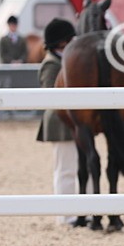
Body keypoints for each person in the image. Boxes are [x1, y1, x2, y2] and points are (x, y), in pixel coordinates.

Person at [36, 18, 79, 226]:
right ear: (60, 43)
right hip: (60, 123)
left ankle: (79, 212)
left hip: (74, 121)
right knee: (65, 169)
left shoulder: (63, 61)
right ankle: (65, 215)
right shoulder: (51, 64)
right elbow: (49, 95)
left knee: (75, 168)